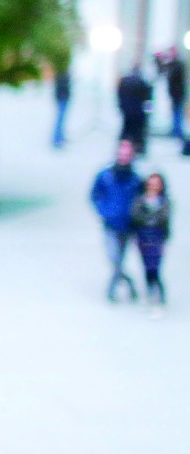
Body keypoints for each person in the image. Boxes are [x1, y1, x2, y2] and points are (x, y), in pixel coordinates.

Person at [90, 139, 144, 302]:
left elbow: (141, 200)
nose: (124, 156)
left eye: (127, 154)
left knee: (119, 258)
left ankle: (113, 289)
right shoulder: (105, 176)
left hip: (127, 225)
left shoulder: (135, 179)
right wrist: (104, 211)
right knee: (114, 257)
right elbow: (94, 195)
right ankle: (124, 283)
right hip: (110, 224)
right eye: (122, 153)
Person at [131, 172, 172, 315]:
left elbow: (164, 219)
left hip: (157, 238)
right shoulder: (140, 200)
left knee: (155, 266)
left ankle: (159, 295)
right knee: (147, 266)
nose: (154, 186)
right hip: (143, 238)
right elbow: (135, 215)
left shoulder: (164, 201)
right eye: (152, 182)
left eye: (157, 183)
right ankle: (150, 292)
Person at [117, 63, 153, 154]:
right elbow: (148, 99)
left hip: (126, 109)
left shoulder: (124, 81)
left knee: (126, 129)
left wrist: (121, 106)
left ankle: (123, 147)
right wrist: (148, 112)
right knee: (138, 131)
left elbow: (119, 94)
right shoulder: (142, 82)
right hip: (138, 110)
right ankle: (138, 148)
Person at [159, 47, 185, 139]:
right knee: (175, 112)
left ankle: (177, 131)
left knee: (177, 112)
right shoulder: (173, 64)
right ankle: (175, 130)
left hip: (177, 93)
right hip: (174, 93)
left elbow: (172, 76)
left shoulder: (178, 65)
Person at [52, 67, 71, 148]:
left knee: (62, 118)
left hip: (63, 96)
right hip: (62, 97)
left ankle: (60, 137)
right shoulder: (61, 74)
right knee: (60, 118)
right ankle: (57, 139)